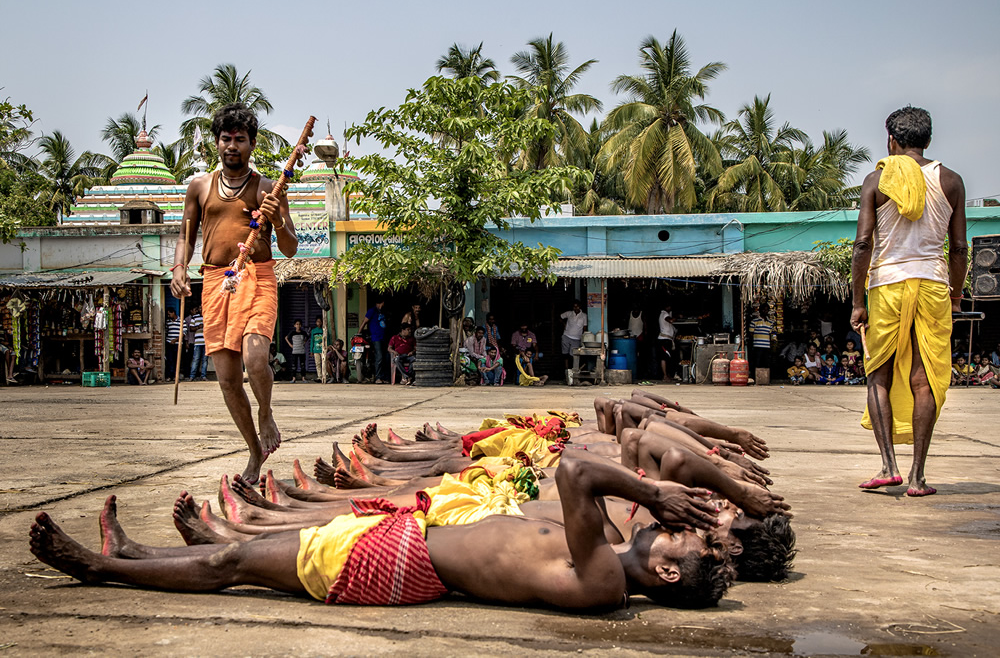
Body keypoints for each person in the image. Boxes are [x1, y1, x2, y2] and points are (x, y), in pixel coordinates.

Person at [28, 450, 733, 611]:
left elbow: (579, 471)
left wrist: (654, 492)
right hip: (407, 545)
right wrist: (656, 495)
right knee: (241, 556)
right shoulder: (607, 554)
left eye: (686, 539)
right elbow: (573, 476)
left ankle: (98, 567)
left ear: (668, 571)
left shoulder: (607, 580)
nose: (678, 527)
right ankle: (133, 552)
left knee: (236, 561)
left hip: (395, 566)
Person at [170, 102, 297, 484]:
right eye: (226, 138)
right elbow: (184, 238)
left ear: (252, 144)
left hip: (257, 276)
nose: (232, 146)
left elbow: (290, 247)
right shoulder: (199, 187)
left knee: (256, 358)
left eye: (240, 139)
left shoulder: (266, 189)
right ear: (217, 142)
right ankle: (254, 453)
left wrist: (276, 219)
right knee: (226, 377)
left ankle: (266, 413)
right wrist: (179, 269)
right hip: (215, 282)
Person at [850, 106, 967, 497]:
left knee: (877, 374)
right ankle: (917, 477)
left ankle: (888, 467)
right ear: (928, 141)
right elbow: (960, 248)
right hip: (933, 285)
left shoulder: (876, 180)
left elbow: (863, 244)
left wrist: (857, 301)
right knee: (925, 377)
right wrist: (956, 293)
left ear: (892, 141)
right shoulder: (950, 181)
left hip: (887, 285)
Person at [359, 297, 388, 384]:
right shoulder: (372, 311)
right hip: (376, 338)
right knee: (379, 357)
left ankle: (384, 377)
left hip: (383, 337)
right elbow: (364, 322)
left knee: (385, 357)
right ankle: (378, 377)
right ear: (381, 303)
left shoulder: (382, 312)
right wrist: (358, 333)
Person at [748, 306, 776, 378]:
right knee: (757, 362)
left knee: (766, 363)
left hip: (766, 346)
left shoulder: (770, 322)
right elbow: (751, 333)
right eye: (763, 310)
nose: (765, 311)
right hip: (757, 346)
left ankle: (766, 378)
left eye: (766, 310)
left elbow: (771, 334)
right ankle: (756, 377)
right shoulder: (754, 321)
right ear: (760, 311)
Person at [560, 301, 587, 370]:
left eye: (577, 306)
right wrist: (564, 324)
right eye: (574, 306)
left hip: (577, 338)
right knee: (565, 354)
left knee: (573, 354)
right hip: (566, 335)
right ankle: (566, 369)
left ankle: (573, 369)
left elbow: (584, 327)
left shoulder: (584, 316)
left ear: (580, 306)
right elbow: (560, 317)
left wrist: (583, 337)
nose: (576, 308)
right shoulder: (569, 313)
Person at [185, 305, 207, 381]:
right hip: (197, 342)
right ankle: (192, 376)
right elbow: (191, 328)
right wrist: (198, 327)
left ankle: (203, 376)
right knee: (196, 359)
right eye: (200, 308)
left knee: (205, 360)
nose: (201, 309)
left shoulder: (208, 316)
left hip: (206, 342)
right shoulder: (194, 317)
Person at [656, 306, 677, 382]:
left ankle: (667, 375)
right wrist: (677, 317)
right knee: (664, 358)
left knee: (667, 358)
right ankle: (664, 376)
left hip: (668, 339)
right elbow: (670, 320)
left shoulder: (667, 313)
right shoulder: (664, 314)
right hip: (664, 340)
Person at [164, 307, 181, 382]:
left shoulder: (181, 321)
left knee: (176, 360)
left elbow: (183, 333)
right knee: (169, 360)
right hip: (169, 343)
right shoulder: (168, 322)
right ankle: (169, 376)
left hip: (177, 344)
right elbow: (166, 331)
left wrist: (175, 340)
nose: (168, 316)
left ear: (173, 312)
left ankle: (175, 376)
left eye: (169, 314)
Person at [310, 316, 325, 383]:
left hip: (323, 350)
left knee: (324, 363)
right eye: (317, 321)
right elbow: (312, 341)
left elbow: (327, 340)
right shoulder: (313, 331)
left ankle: (325, 376)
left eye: (320, 321)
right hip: (316, 350)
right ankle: (319, 376)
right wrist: (311, 351)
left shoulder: (324, 330)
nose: (319, 323)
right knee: (317, 363)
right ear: (316, 322)